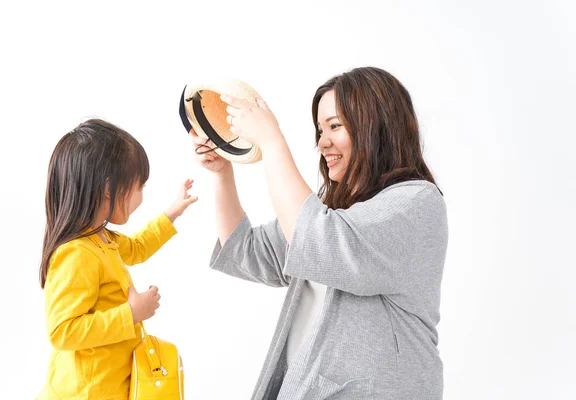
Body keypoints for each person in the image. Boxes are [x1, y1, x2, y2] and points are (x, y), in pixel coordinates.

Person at [190, 66, 448, 399]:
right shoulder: (332, 211)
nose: (322, 143)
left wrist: (271, 141)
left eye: (335, 126)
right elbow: (245, 252)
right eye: (320, 129)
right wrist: (223, 172)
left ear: (376, 127)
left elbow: (318, 242)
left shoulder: (415, 203)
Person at [37, 119, 197, 399]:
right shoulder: (76, 253)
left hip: (110, 388)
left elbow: (137, 247)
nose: (141, 197)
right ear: (108, 188)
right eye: (139, 186)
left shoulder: (102, 240)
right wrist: (131, 314)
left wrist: (172, 213)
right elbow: (62, 331)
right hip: (84, 394)